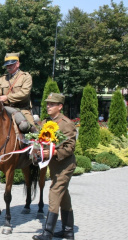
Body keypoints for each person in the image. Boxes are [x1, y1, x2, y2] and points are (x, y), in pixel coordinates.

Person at [32, 93, 77, 240]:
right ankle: (68, 231)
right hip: (53, 165)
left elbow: (70, 147)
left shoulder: (66, 123)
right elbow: (41, 141)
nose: (48, 106)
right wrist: (37, 150)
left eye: (52, 104)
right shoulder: (45, 122)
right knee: (63, 196)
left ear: (60, 106)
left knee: (54, 192)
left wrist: (53, 151)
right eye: (48, 103)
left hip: (65, 165)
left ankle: (48, 233)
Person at [0, 52, 36, 136]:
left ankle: (34, 147)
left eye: (11, 64)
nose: (8, 67)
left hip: (22, 109)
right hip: (5, 109)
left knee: (28, 128)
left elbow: (24, 93)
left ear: (17, 64)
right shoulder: (3, 78)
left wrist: (7, 97)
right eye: (7, 65)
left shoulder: (26, 77)